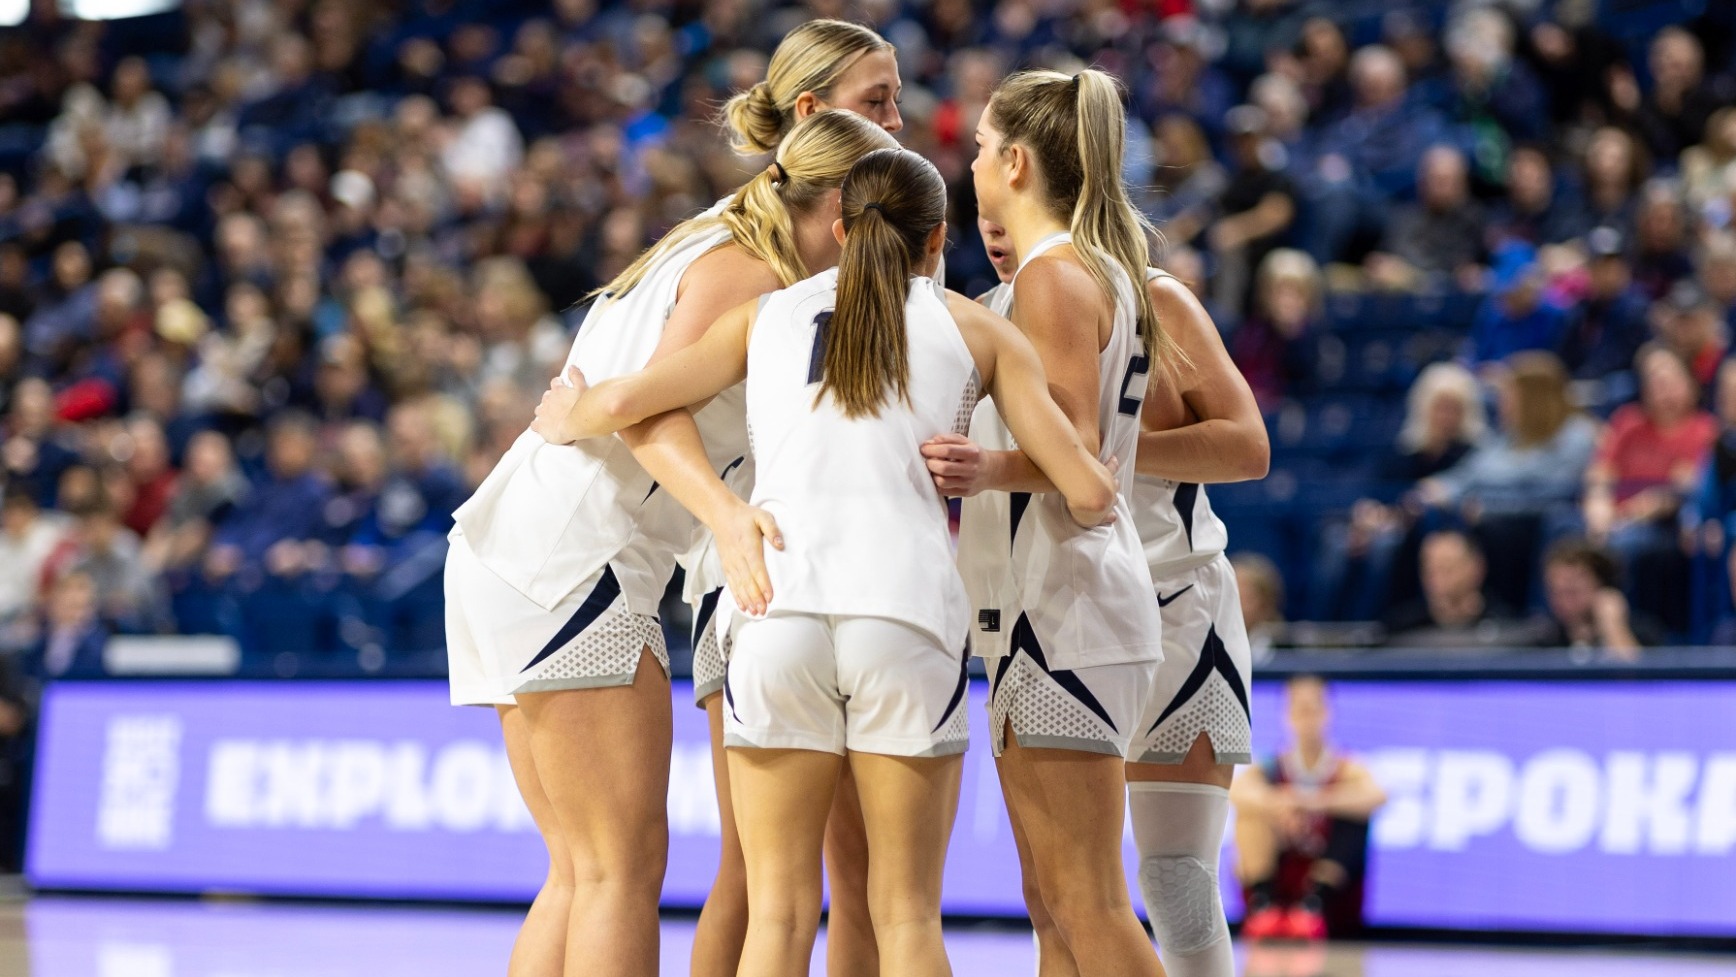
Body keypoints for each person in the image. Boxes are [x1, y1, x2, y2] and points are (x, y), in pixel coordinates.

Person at [530, 146, 1119, 977]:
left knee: (776, 912)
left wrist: (567, 412)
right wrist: (1008, 469)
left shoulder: (765, 315)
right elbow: (1089, 493)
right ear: (937, 237)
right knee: (905, 913)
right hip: (905, 613)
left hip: (776, 604)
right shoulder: (978, 326)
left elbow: (630, 400)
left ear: (839, 228)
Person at [442, 109, 897, 977]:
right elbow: (646, 406)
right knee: (619, 866)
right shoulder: (754, 273)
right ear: (838, 201)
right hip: (581, 556)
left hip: (516, 546)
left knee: (580, 870)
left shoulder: (713, 235)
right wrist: (727, 515)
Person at [974, 212, 1272, 976]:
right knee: (1055, 897)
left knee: (1175, 883)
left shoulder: (1156, 300)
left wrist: (1119, 454)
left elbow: (1248, 445)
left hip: (1179, 603)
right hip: (1056, 610)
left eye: (1004, 211)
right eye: (982, 221)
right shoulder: (984, 317)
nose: (993, 231)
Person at [922, 68, 1168, 977]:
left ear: (1016, 163)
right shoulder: (1092, 267)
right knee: (1054, 902)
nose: (974, 161)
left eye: (983, 147)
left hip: (1065, 602)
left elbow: (1082, 461)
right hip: (1060, 605)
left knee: (1087, 901)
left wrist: (982, 467)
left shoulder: (1054, 278)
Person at [692, 21, 907, 977]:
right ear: (813, 115)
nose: (899, 120)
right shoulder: (743, 252)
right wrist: (727, 519)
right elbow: (645, 405)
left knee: (855, 871)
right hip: (755, 572)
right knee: (756, 872)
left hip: (857, 580)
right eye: (879, 101)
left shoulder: (876, 245)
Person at [1232, 676, 1387, 941]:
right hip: (1282, 867)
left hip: (1329, 887)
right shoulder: (1271, 765)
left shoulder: (1345, 766)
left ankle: (1313, 905)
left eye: (1313, 709)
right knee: (1250, 815)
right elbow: (1235, 792)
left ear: (1327, 713)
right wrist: (1280, 804)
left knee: (1357, 816)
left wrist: (1311, 802)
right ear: (1287, 714)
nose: (1307, 719)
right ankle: (1264, 902)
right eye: (1299, 709)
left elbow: (1377, 796)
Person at [1585, 343, 1716, 635]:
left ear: (1691, 385)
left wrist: (1638, 510)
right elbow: (1601, 472)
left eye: (1670, 382)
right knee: (1563, 535)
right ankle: (1565, 630)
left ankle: (1623, 632)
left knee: (1626, 545)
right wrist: (1598, 503)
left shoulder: (1705, 430)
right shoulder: (1628, 422)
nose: (1663, 391)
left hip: (1661, 523)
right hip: (1612, 515)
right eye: (1655, 383)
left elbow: (1688, 487)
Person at [1382, 529, 1518, 646]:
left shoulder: (1507, 625)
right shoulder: (1401, 629)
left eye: (1447, 568)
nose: (1436, 579)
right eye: (1429, 569)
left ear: (1477, 568)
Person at [1533, 538, 1659, 657]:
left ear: (1603, 588)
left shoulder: (1643, 632)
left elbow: (1634, 676)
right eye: (1554, 591)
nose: (1561, 601)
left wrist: (1614, 627)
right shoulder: (1542, 640)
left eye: (1572, 591)